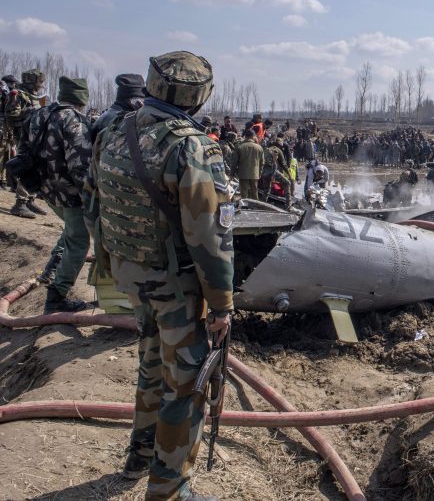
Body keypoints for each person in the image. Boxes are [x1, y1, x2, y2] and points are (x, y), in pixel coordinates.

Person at [86, 50, 232, 501]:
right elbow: (208, 235)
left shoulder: (113, 128)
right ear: (200, 96)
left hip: (132, 273)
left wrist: (110, 261)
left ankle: (142, 452)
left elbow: (94, 203)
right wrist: (222, 304)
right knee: (185, 385)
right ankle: (169, 488)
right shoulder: (191, 146)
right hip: (175, 284)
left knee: (152, 360)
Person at [23, 76, 93, 312]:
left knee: (70, 230)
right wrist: (91, 195)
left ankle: (53, 265)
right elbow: (80, 164)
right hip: (69, 192)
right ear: (81, 98)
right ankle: (57, 295)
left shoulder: (39, 114)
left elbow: (24, 147)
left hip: (45, 188)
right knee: (79, 241)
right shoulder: (73, 119)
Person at [5, 69, 49, 218]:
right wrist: (29, 112)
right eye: (39, 83)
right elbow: (11, 114)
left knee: (37, 167)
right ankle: (20, 204)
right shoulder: (17, 94)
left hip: (35, 136)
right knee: (28, 167)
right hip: (24, 136)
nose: (40, 86)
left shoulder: (34, 96)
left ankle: (30, 199)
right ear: (32, 82)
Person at [91, 74, 146, 141]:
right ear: (134, 100)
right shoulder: (123, 120)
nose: (143, 102)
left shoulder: (106, 115)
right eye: (142, 98)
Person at [235, 129, 264, 200]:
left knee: (244, 193)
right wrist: (259, 173)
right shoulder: (259, 147)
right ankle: (255, 207)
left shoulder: (240, 147)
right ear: (253, 136)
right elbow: (262, 163)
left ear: (245, 136)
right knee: (254, 192)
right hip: (255, 174)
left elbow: (234, 162)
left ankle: (244, 208)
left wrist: (233, 173)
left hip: (243, 173)